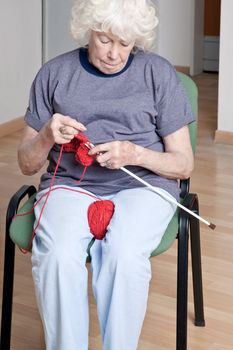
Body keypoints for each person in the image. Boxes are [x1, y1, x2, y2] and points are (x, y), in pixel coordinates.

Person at [18, 0, 195, 349]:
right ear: (88, 31)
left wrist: (135, 154)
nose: (114, 53)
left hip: (143, 186)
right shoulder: (54, 73)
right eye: (105, 40)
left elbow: (183, 165)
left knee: (124, 253)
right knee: (57, 255)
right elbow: (26, 163)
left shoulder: (157, 73)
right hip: (71, 184)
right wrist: (46, 135)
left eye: (125, 43)